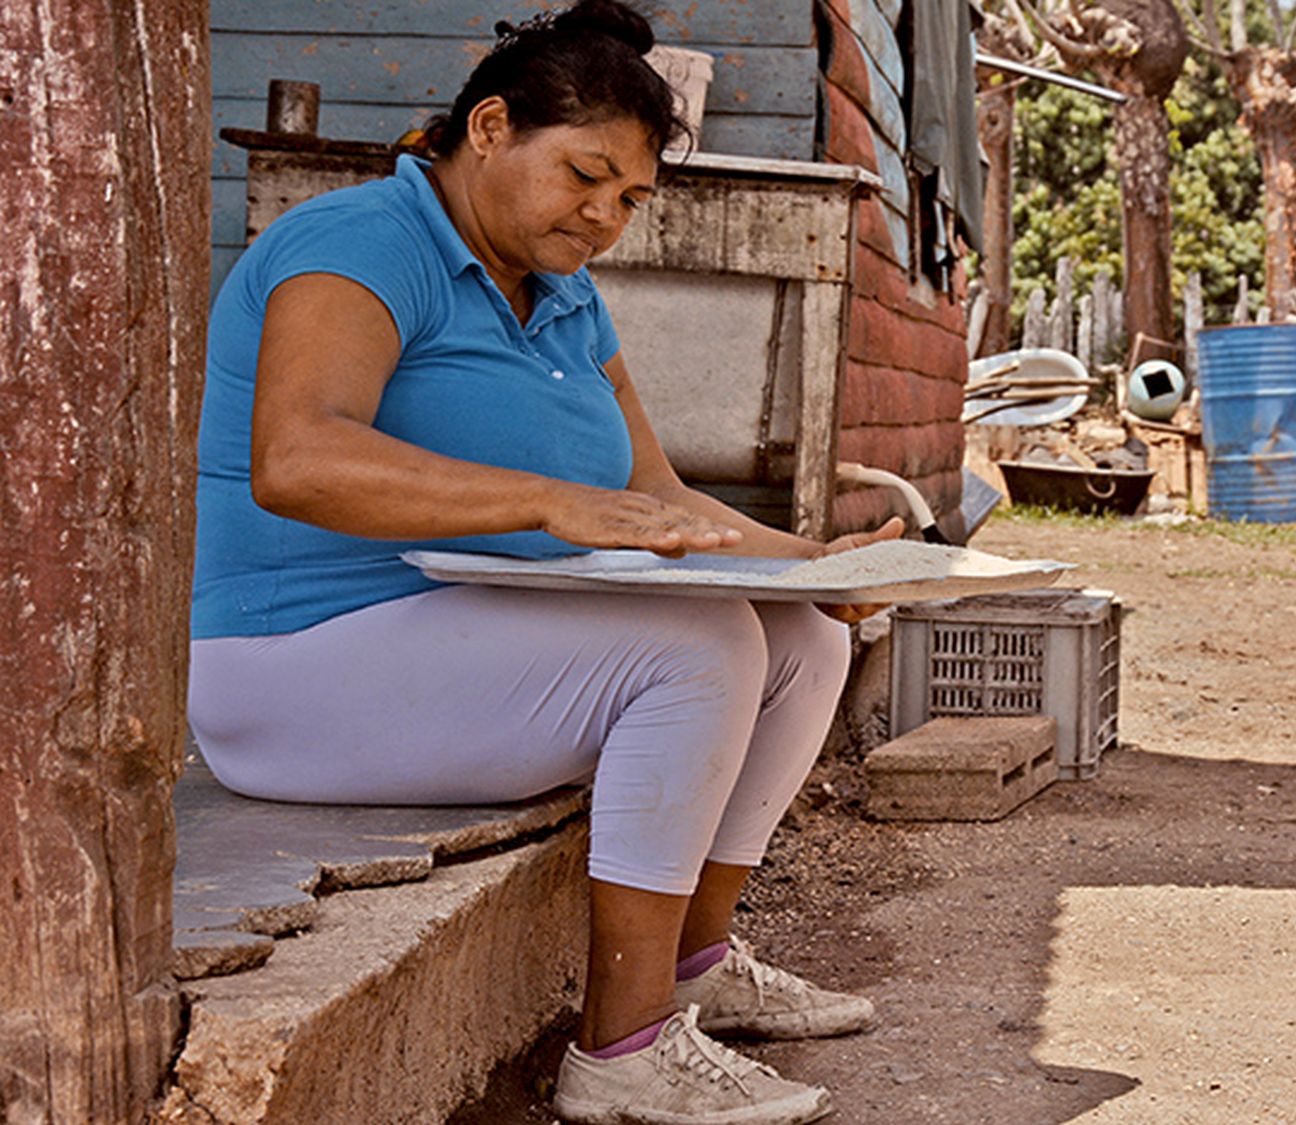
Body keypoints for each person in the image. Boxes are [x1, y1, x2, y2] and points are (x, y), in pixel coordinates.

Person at [186, 4, 894, 1122]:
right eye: (583, 175)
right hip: (290, 667)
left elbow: (657, 497)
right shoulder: (360, 243)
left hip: (450, 648)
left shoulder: (562, 294)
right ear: (489, 125)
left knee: (799, 635)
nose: (604, 216)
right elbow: (297, 456)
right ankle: (623, 1055)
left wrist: (820, 563)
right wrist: (551, 502)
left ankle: (695, 969)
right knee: (698, 645)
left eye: (630, 198)